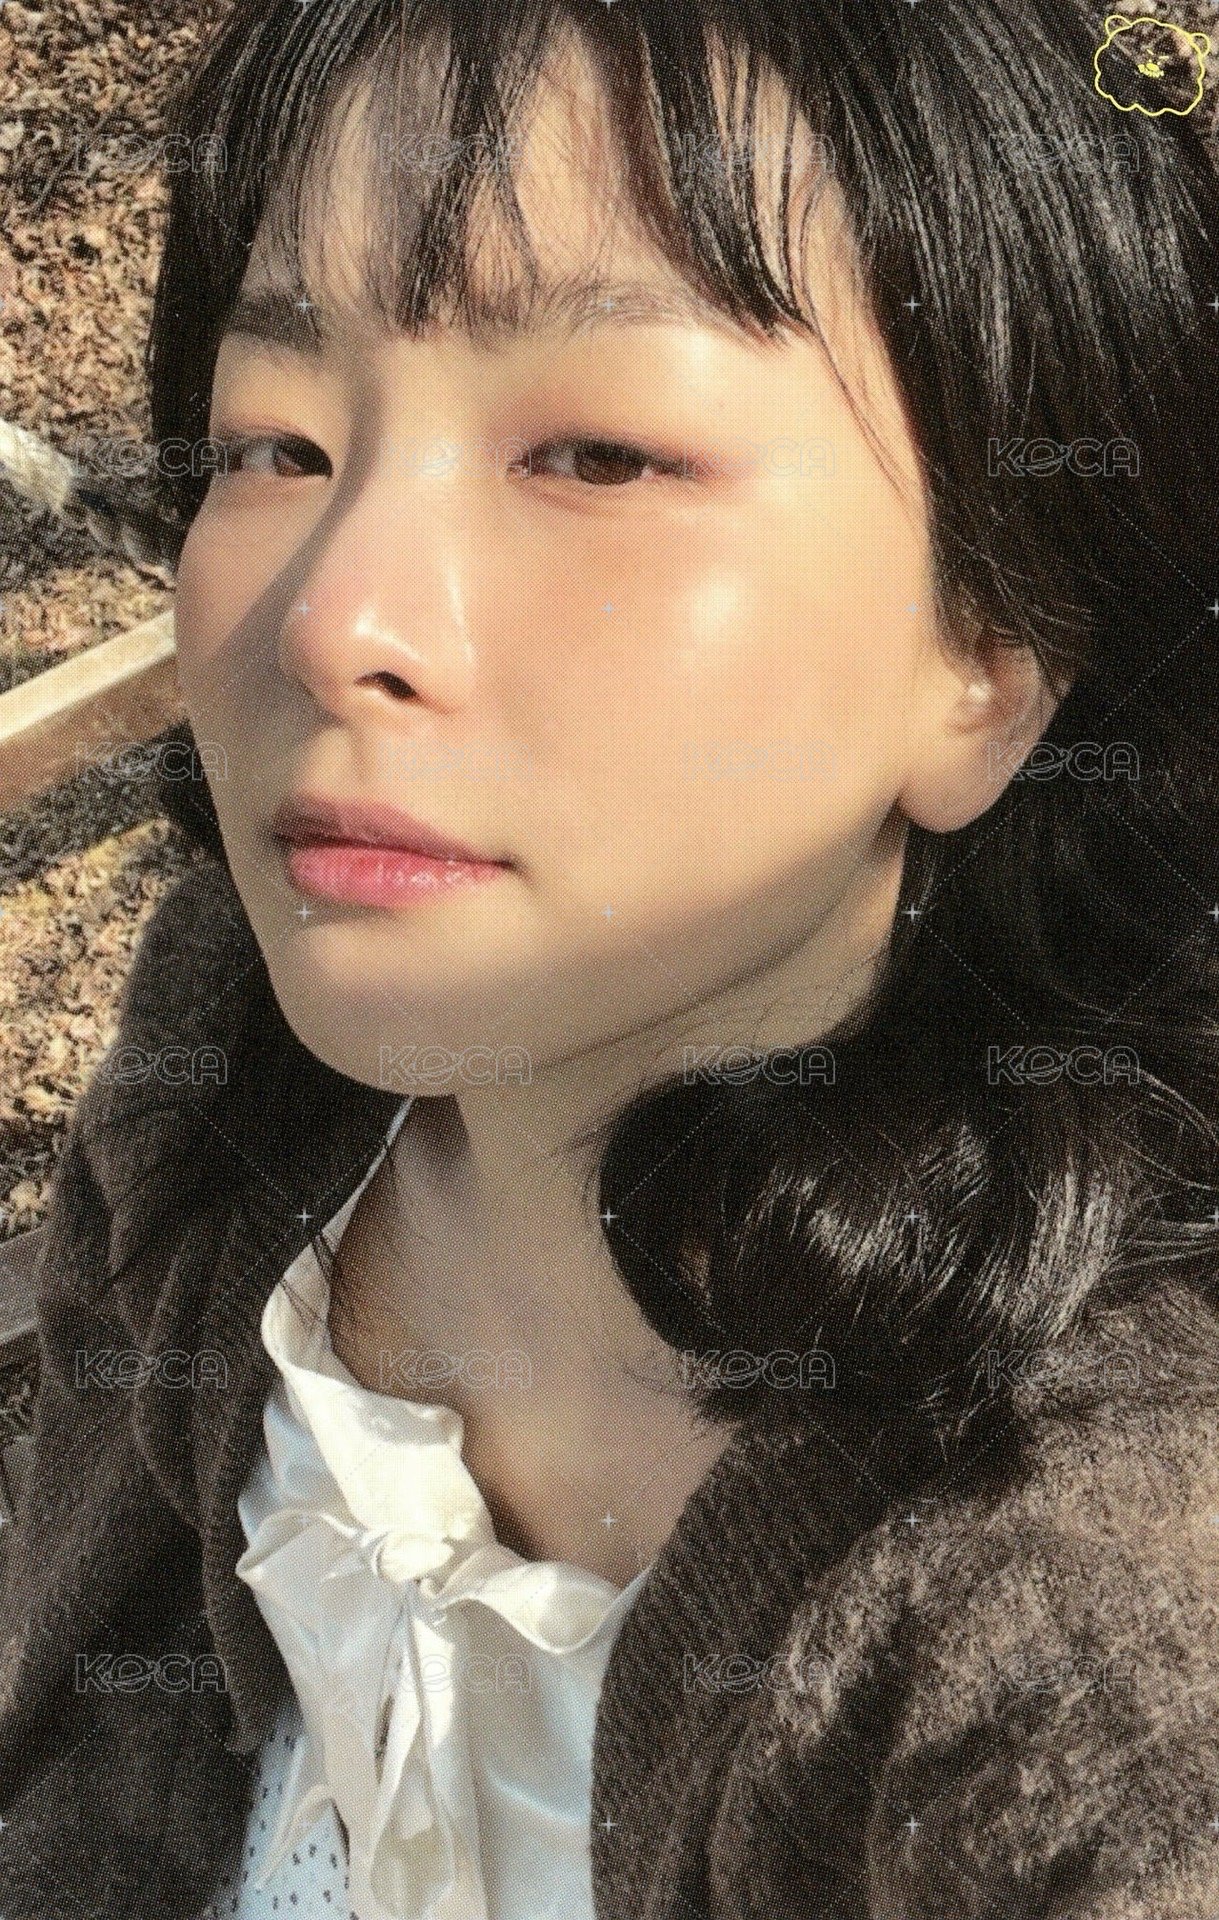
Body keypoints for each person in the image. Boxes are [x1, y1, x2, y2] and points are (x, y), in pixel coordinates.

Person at [2, 0, 1219, 1914]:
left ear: (998, 645)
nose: (336, 617)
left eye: (595, 454)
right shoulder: (226, 1095)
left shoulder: (1114, 1642)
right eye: (275, 442)